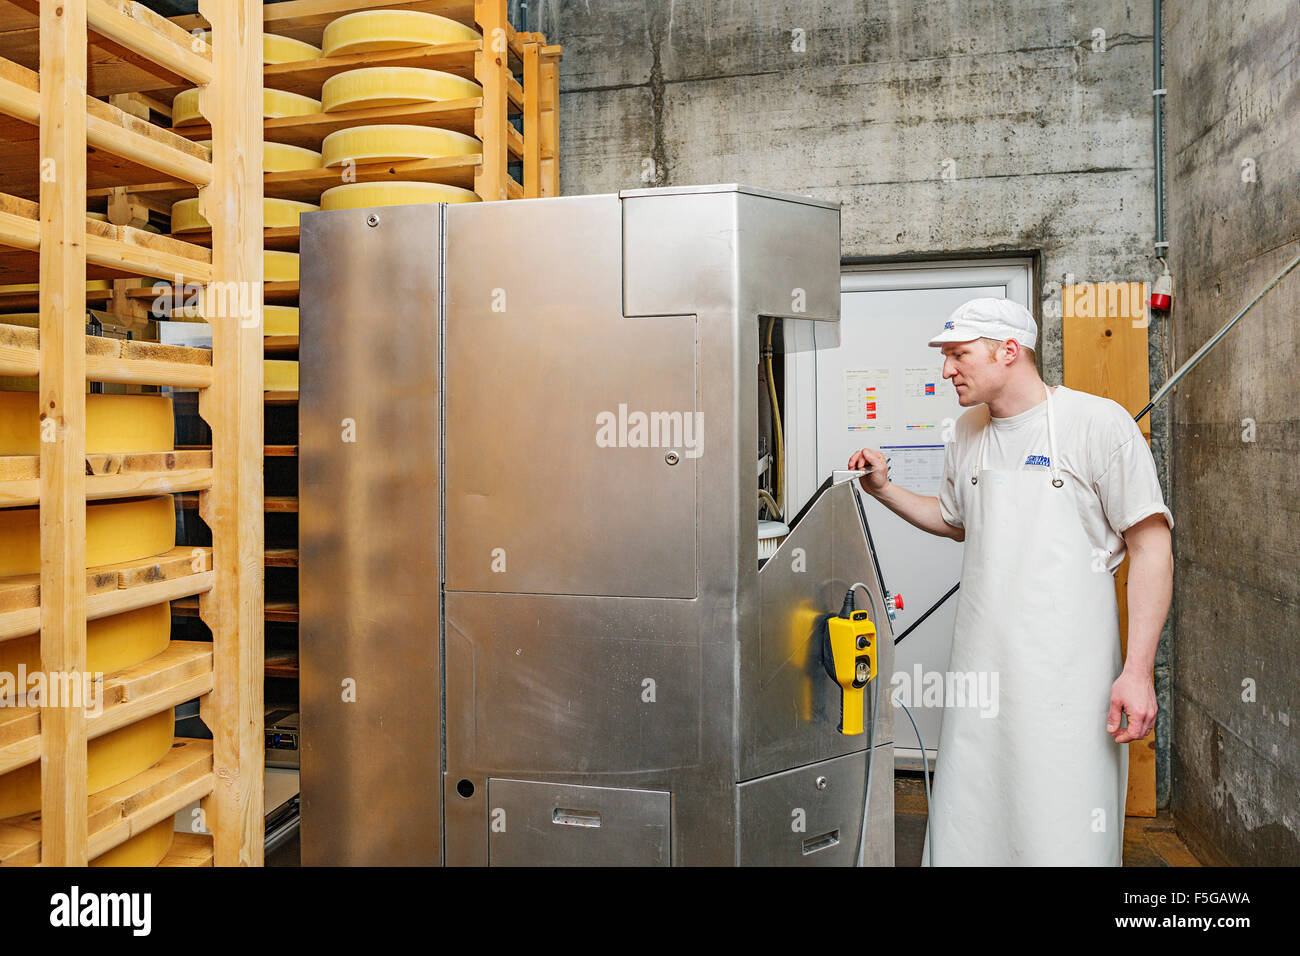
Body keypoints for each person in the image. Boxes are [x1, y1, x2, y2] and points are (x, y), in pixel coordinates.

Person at [848, 297, 1173, 866]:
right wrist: (883, 489)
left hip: (1067, 681)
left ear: (1008, 350)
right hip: (981, 676)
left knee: (1062, 824)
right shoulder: (968, 430)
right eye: (946, 356)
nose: (946, 369)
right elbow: (954, 521)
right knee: (971, 822)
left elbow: (1152, 546)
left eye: (957, 354)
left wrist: (1138, 672)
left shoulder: (1096, 424)